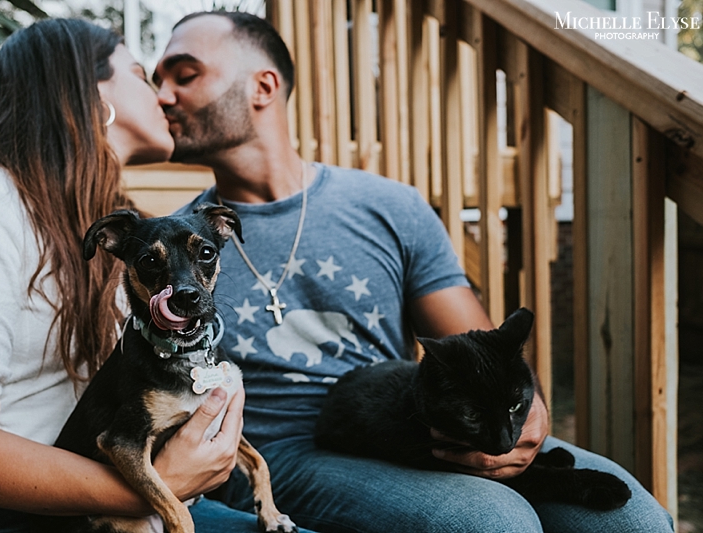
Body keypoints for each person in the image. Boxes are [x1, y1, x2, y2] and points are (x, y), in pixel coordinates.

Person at [155, 11, 675, 533]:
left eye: (184, 75)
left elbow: (477, 343)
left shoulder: (389, 205)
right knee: (490, 522)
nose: (162, 95)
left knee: (635, 520)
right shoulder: (174, 246)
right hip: (279, 454)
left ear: (263, 86)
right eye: (157, 81)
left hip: (410, 418)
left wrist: (530, 413)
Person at [0, 18, 313, 533]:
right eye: (144, 76)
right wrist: (163, 489)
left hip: (106, 499)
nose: (166, 98)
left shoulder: (114, 227)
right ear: (96, 100)